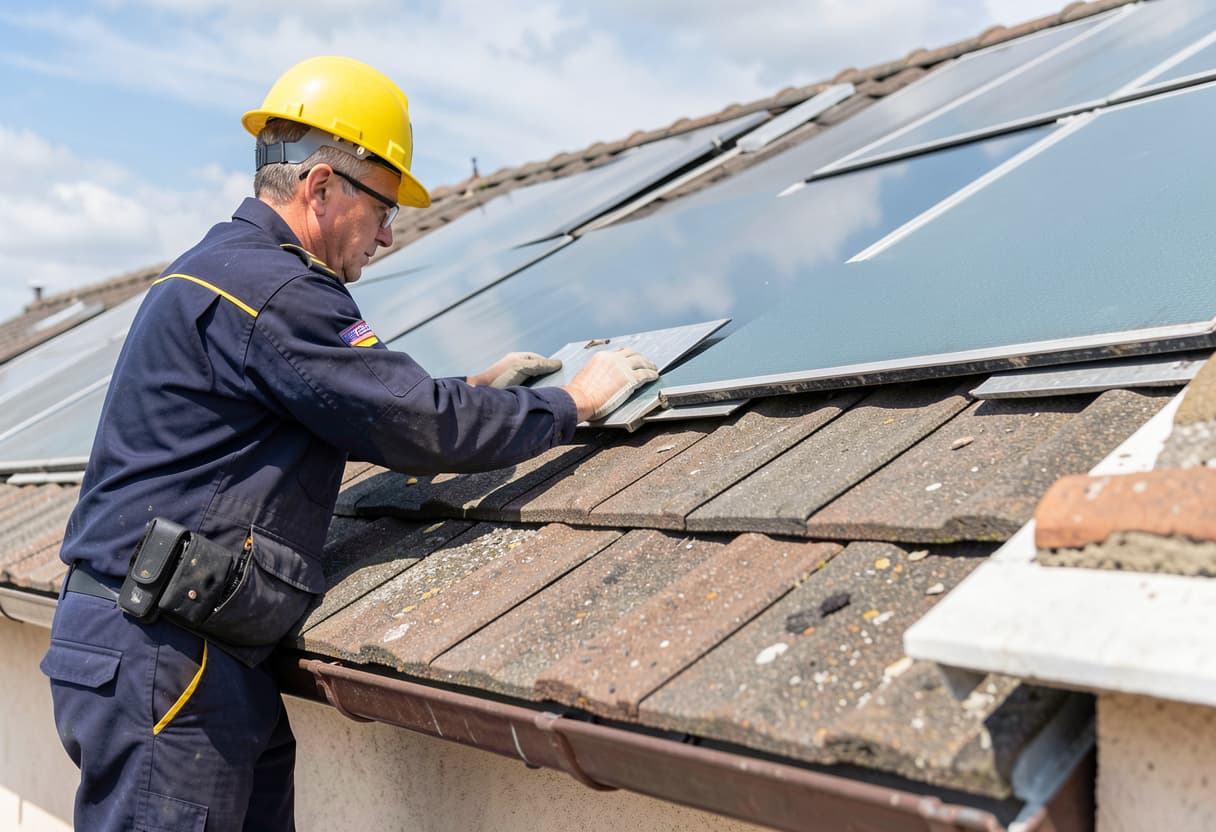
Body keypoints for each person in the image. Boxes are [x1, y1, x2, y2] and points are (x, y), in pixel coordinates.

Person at [40, 55, 657, 831]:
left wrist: (469, 391)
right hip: (168, 657)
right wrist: (573, 402)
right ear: (322, 187)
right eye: (383, 208)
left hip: (173, 648)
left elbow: (334, 403)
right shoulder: (277, 290)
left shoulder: (219, 271)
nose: (389, 235)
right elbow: (413, 424)